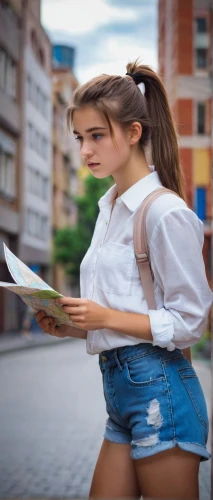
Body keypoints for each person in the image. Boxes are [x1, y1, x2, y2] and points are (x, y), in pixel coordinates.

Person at [36, 60, 212, 500]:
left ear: (133, 133)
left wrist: (104, 315)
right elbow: (124, 321)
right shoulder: (109, 211)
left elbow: (192, 321)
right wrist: (73, 326)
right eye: (80, 138)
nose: (85, 151)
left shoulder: (165, 212)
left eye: (97, 135)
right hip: (120, 396)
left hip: (162, 397)